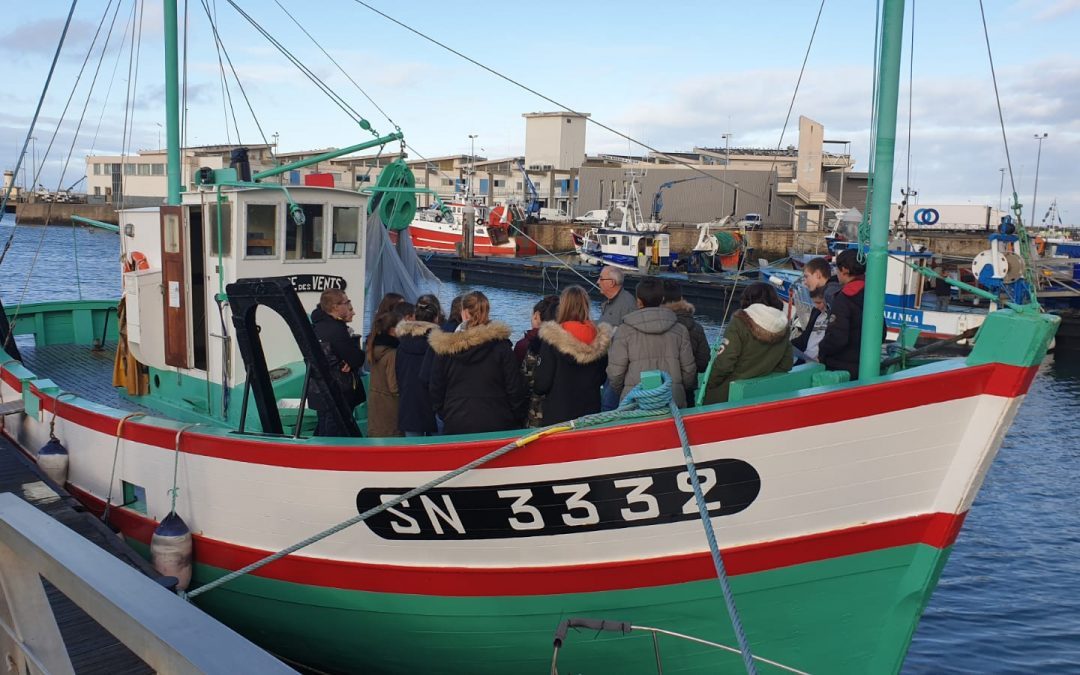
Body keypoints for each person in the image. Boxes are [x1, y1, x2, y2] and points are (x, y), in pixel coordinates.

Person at [428, 291, 528, 434]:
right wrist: (514, 416)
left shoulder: (446, 349)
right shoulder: (502, 348)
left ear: (464, 313)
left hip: (456, 419)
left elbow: (436, 388)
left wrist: (447, 412)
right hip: (497, 420)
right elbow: (515, 388)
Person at [606, 276, 697, 408]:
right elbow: (689, 371)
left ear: (638, 301)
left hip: (636, 401)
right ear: (662, 299)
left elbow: (615, 374)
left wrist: (627, 390)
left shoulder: (624, 331)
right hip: (672, 400)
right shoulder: (680, 330)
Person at [702, 283, 793, 405]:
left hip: (728, 396)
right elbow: (786, 364)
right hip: (763, 395)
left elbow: (724, 364)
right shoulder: (784, 326)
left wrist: (710, 382)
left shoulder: (740, 322)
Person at [533, 285, 612, 424]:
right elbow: (601, 377)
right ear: (586, 305)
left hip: (558, 415)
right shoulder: (600, 339)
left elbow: (541, 384)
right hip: (590, 413)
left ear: (563, 306)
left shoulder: (552, 339)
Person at [309, 289, 365, 437]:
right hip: (337, 390)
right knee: (334, 432)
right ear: (335, 307)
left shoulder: (317, 326)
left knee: (323, 426)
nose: (349, 306)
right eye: (347, 302)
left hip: (319, 389)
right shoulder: (336, 330)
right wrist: (350, 360)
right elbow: (356, 358)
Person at [818, 248, 870, 380]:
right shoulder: (871, 294)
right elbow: (882, 333)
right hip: (865, 364)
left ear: (845, 270)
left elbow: (837, 337)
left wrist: (822, 351)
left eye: (837, 269)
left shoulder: (844, 298)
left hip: (841, 366)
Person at [396, 294, 443, 437]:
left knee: (411, 453)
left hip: (409, 405)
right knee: (438, 454)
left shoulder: (402, 343)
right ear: (436, 318)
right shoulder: (438, 345)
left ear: (415, 316)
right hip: (434, 408)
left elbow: (399, 374)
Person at [514, 295, 560, 427]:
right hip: (556, 410)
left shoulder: (525, 345)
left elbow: (521, 380)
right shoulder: (562, 343)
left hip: (532, 409)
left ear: (536, 316)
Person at [365, 306, 405, 438]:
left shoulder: (373, 348)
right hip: (389, 409)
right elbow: (394, 386)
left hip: (376, 406)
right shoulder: (392, 354)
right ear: (393, 330)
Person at [662, 278, 710, 377]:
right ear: (681, 297)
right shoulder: (696, 328)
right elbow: (703, 364)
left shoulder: (655, 325)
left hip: (656, 386)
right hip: (687, 387)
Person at [791, 287, 828, 362]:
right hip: (805, 357)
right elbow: (806, 335)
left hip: (819, 361)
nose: (817, 306)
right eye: (815, 303)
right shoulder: (816, 312)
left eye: (819, 302)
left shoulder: (833, 316)